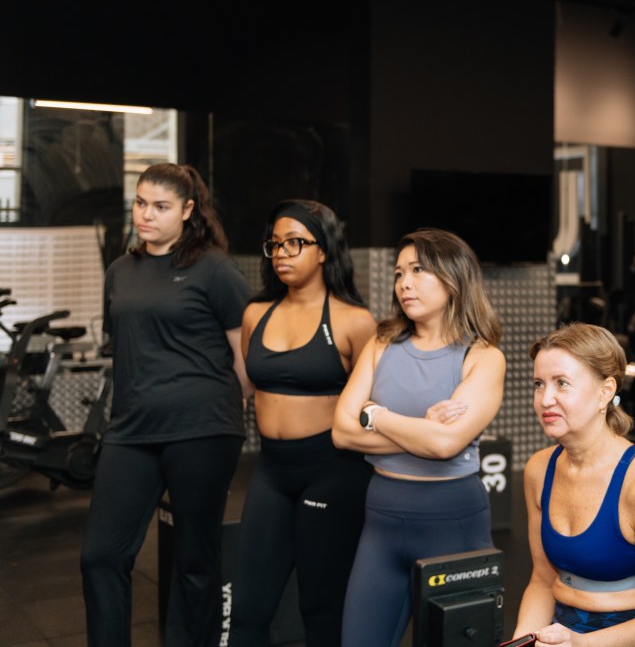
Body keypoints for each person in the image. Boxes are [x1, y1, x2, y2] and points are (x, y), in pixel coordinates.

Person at [81, 162, 252, 647]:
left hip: (202, 427)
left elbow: (244, 354)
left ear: (188, 210)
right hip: (131, 429)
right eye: (141, 203)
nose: (146, 214)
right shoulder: (120, 271)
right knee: (101, 555)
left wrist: (229, 408)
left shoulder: (215, 270)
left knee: (194, 560)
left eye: (161, 206)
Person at [331, 227, 506, 647]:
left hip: (453, 519)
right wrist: (421, 429)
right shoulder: (382, 343)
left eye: (418, 270)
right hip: (382, 519)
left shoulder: (483, 357)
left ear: (453, 276)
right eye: (399, 273)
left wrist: (374, 414)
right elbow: (341, 432)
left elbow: (444, 445)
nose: (404, 283)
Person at [228, 200, 376, 645]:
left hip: (331, 471)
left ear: (324, 249)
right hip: (271, 470)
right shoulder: (256, 313)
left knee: (320, 609)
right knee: (248, 609)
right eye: (275, 244)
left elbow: (372, 406)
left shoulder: (354, 321)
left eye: (295, 243)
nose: (282, 253)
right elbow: (247, 385)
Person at [511, 323, 635, 647]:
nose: (545, 399)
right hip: (563, 634)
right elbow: (542, 581)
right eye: (539, 384)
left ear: (606, 391)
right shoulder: (539, 470)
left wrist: (582, 645)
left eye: (562, 383)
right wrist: (523, 641)